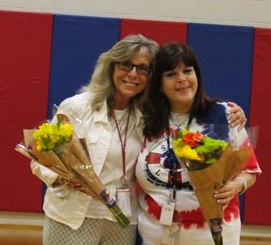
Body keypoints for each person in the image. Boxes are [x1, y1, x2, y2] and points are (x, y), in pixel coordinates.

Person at [30, 35, 246, 245]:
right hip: (73, 217)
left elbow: (191, 109)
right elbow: (40, 158)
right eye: (126, 65)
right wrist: (64, 180)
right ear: (111, 67)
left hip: (122, 221)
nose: (133, 74)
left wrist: (232, 113)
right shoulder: (78, 106)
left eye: (142, 68)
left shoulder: (149, 116)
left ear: (151, 77)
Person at [136, 42, 261, 245]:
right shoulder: (144, 120)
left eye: (187, 71)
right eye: (170, 74)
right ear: (158, 84)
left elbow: (251, 170)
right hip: (155, 234)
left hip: (213, 234)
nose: (182, 79)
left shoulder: (225, 115)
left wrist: (236, 186)